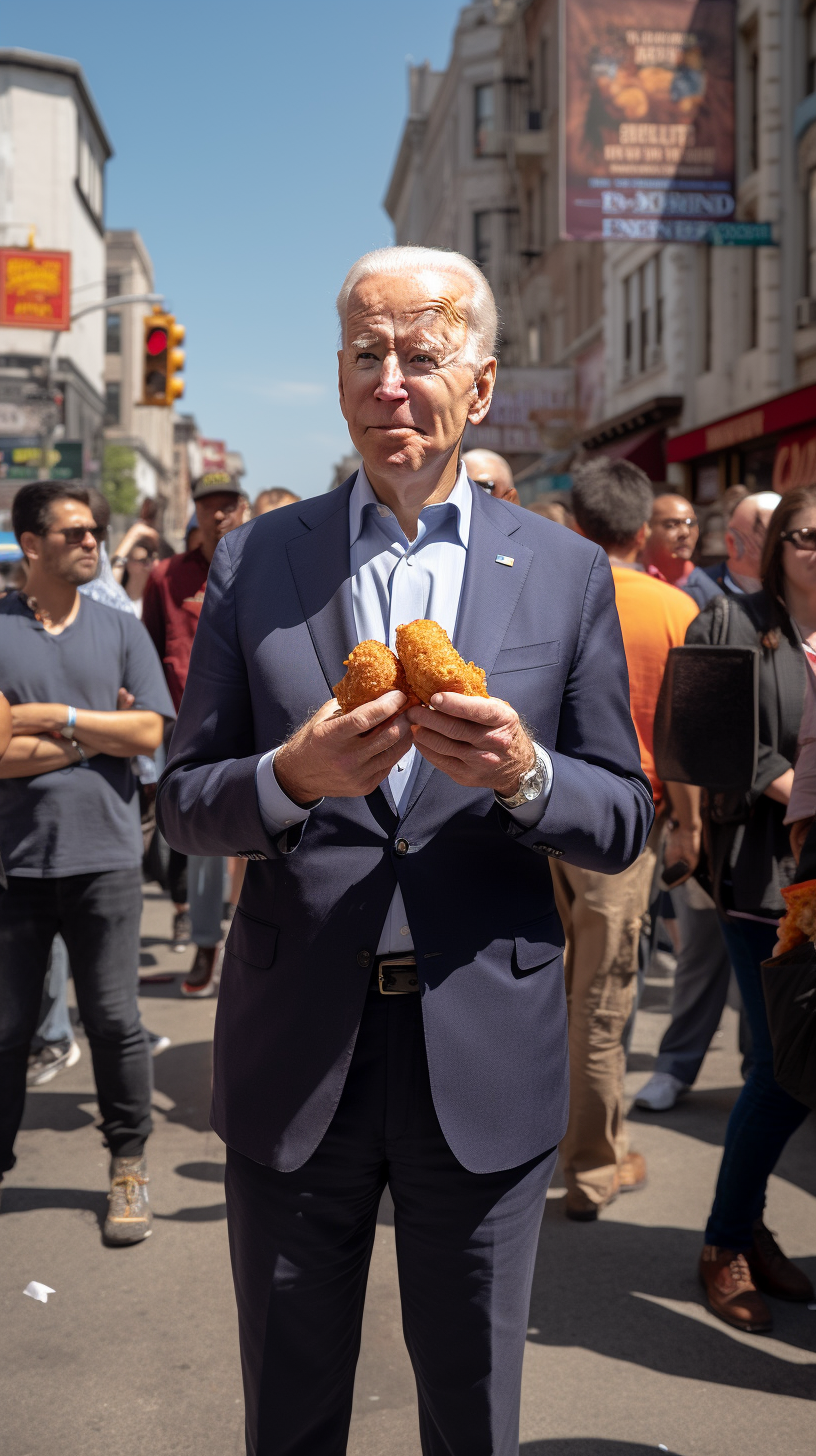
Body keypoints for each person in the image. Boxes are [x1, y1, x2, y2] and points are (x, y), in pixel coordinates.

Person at [157, 244, 653, 1456]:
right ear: (337, 379)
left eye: (421, 354)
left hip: (484, 1050)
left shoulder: (565, 571)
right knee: (289, 1410)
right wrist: (290, 778)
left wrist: (526, 774)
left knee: (473, 1413)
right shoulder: (258, 558)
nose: (391, 382)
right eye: (366, 354)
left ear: (479, 384)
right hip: (296, 1052)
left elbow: (624, 814)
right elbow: (182, 801)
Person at [0, 482, 174, 1242]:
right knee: (6, 1029)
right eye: (72, 531)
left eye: (94, 531)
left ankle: (128, 1165)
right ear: (30, 544)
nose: (91, 541)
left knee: (113, 1021)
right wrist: (95, 736)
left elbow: (149, 733)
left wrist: (52, 718)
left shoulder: (120, 628)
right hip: (12, 864)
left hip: (105, 857)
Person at [688, 486, 815, 1332]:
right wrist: (804, 791)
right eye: (806, 535)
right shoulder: (731, 622)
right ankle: (725, 1242)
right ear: (776, 545)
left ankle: (748, 1228)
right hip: (763, 876)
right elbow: (710, 739)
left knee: (798, 1069)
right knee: (780, 1068)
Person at [559, 459, 699, 1219]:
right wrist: (692, 827)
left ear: (579, 526)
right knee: (601, 1002)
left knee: (545, 990)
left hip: (538, 807)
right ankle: (592, 1166)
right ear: (644, 531)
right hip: (625, 826)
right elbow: (682, 741)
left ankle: (562, 1146)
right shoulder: (674, 607)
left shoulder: (550, 590)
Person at [636, 490, 781, 1114]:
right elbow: (687, 725)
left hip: (780, 833)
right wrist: (687, 823)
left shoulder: (795, 613)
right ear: (742, 538)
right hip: (711, 817)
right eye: (773, 527)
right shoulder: (709, 604)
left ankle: (761, 1073)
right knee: (699, 951)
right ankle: (677, 1065)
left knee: (769, 975)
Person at [143, 470, 245, 994]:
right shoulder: (166, 576)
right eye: (209, 505)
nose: (219, 514)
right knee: (203, 837)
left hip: (251, 719)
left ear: (242, 508)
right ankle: (206, 942)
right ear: (196, 511)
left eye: (228, 504)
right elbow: (148, 648)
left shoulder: (259, 564)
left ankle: (247, 947)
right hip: (188, 724)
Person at [642, 493, 722, 608]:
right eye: (671, 525)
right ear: (646, 529)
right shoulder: (627, 578)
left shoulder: (710, 597)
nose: (685, 532)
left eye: (691, 524)